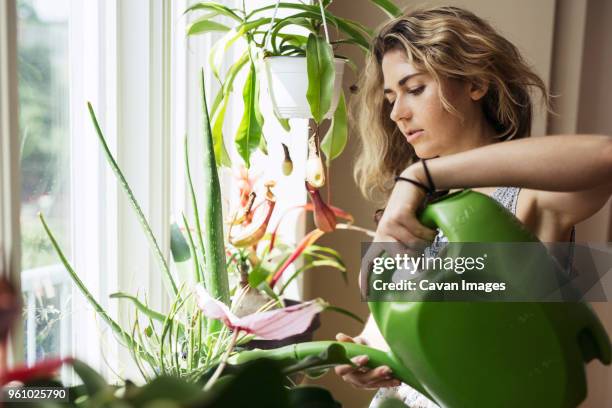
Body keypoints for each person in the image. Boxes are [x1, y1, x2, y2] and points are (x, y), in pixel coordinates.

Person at [332, 6, 612, 408]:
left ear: (476, 83)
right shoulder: (414, 215)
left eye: (414, 89)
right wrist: (364, 356)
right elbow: (389, 339)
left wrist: (420, 176)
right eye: (391, 97)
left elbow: (605, 156)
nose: (397, 113)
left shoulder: (531, 199)